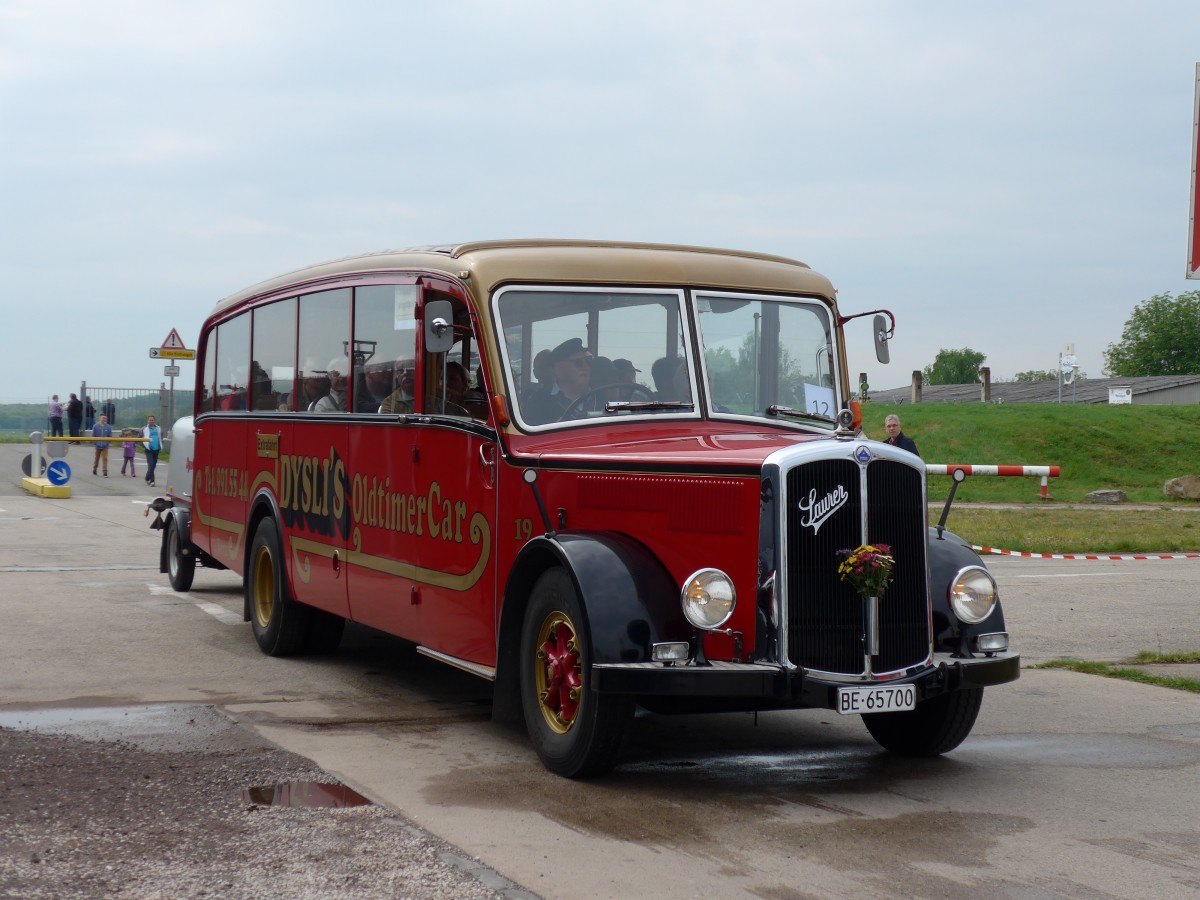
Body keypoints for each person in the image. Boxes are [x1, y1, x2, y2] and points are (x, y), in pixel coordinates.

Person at [523, 338, 593, 424]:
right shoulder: (538, 402)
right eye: (578, 363)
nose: (586, 367)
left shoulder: (602, 395)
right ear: (558, 369)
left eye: (588, 361)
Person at [143, 416, 163, 486]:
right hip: (149, 449)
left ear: (154, 421)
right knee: (151, 465)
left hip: (156, 449)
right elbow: (142, 438)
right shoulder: (145, 429)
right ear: (148, 421)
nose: (151, 421)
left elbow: (160, 438)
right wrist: (145, 446)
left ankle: (147, 477)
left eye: (152, 420)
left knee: (153, 466)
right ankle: (152, 481)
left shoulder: (158, 428)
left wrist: (160, 447)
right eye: (150, 420)